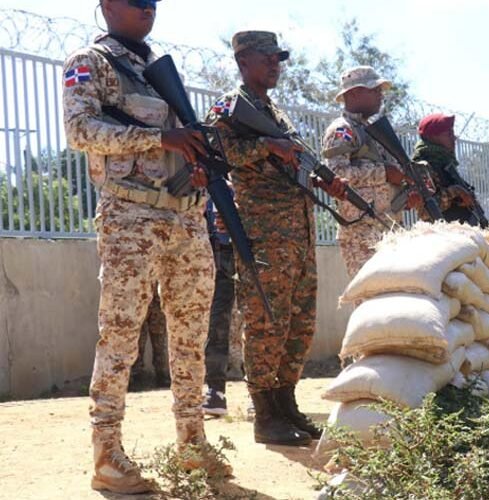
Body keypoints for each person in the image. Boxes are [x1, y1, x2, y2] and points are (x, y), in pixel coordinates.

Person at [63, 0, 229, 493]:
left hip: (186, 217)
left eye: (154, 2)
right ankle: (107, 454)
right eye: (137, 1)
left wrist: (196, 157)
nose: (148, 9)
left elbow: (182, 143)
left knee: (190, 336)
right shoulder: (90, 62)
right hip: (131, 215)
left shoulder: (158, 70)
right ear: (108, 6)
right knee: (120, 334)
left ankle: (193, 443)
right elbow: (79, 131)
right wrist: (159, 138)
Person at [205, 31, 346, 446]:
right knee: (267, 320)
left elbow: (290, 163)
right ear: (243, 60)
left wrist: (322, 181)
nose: (275, 65)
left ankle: (286, 405)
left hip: (297, 233)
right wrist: (266, 145)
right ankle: (265, 415)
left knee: (298, 323)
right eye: (267, 58)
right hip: (264, 232)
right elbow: (217, 153)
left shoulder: (275, 112)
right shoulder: (230, 108)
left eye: (278, 58)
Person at [321, 65, 412, 278]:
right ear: (353, 93)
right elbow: (335, 172)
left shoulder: (373, 131)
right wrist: (384, 173)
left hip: (388, 230)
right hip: (361, 235)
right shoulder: (342, 130)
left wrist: (406, 191)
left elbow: (391, 177)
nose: (380, 95)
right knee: (369, 304)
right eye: (374, 89)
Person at [202, 186, 236, 417]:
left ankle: (262, 395)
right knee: (213, 326)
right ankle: (213, 391)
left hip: (238, 254)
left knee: (255, 323)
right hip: (209, 255)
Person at [412, 113, 481, 225]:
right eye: (448, 134)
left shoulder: (446, 163)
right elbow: (425, 212)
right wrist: (456, 191)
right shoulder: (422, 166)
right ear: (432, 137)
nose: (453, 138)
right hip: (444, 236)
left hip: (464, 229)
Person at [129, 288, 170, 389]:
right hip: (140, 304)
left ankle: (163, 376)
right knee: (138, 343)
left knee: (160, 344)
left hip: (158, 305)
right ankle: (136, 377)